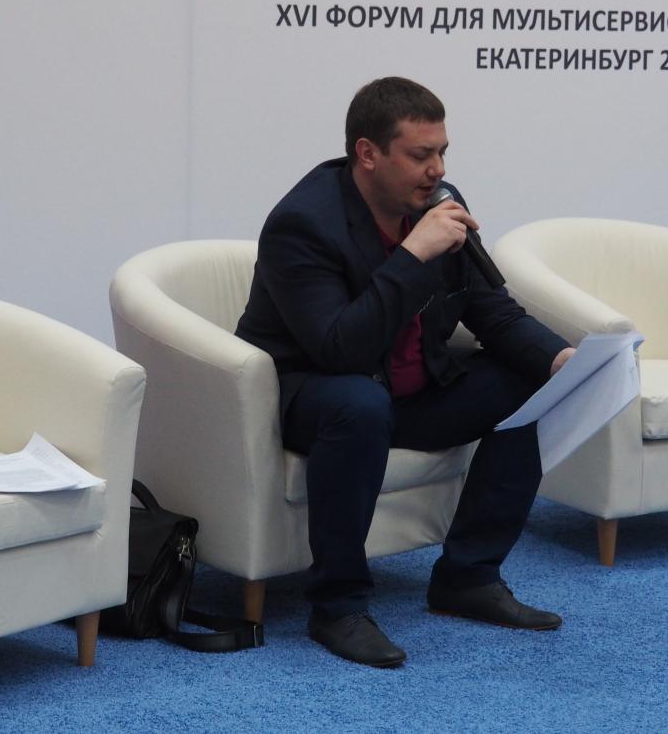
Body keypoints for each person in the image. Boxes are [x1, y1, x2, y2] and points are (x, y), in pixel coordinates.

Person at [234, 77, 576, 668]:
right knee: (359, 405)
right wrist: (415, 253)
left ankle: (469, 577)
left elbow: (491, 311)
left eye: (442, 152)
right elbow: (339, 348)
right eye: (421, 155)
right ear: (368, 153)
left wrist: (560, 359)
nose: (437, 169)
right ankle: (338, 606)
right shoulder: (303, 223)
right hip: (311, 393)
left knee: (529, 384)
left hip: (406, 388)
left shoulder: (437, 201)